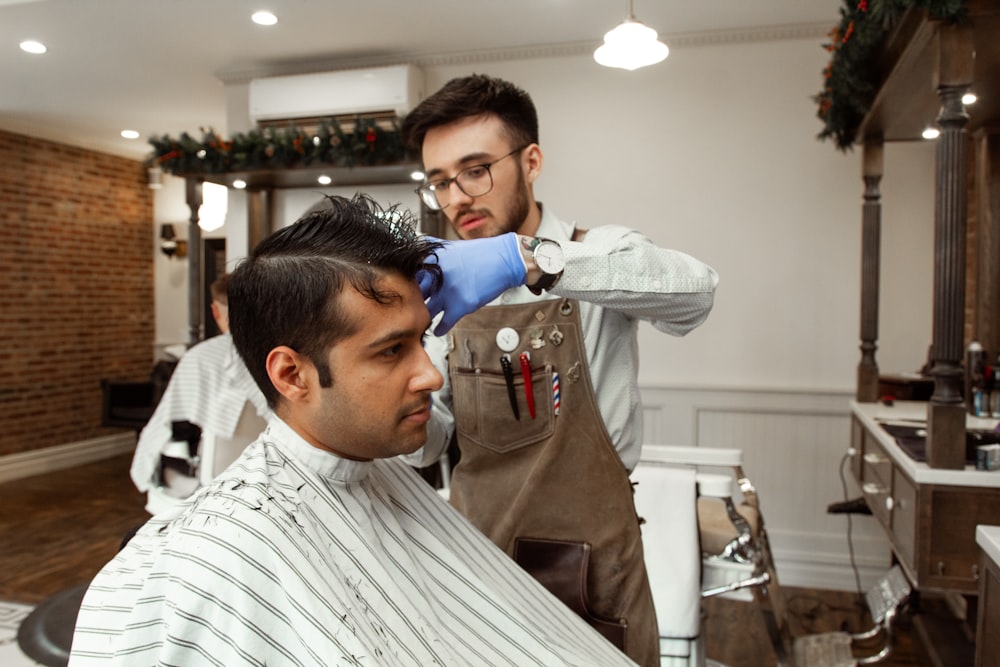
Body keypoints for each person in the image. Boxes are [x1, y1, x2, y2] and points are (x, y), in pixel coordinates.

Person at [69, 194, 637, 667]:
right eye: (392, 350)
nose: (431, 372)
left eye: (421, 338)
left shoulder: (378, 470)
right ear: (292, 374)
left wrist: (529, 257)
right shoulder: (209, 556)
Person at [400, 74, 720, 667]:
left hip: (590, 573)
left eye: (475, 170)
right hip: (476, 567)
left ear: (532, 161)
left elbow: (695, 295)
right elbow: (438, 440)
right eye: (439, 182)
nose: (456, 199)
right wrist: (390, 410)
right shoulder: (444, 290)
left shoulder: (597, 251)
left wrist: (533, 262)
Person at [129, 273, 270, 514]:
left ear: (216, 312)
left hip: (211, 478)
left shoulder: (200, 358)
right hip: (266, 472)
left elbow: (163, 428)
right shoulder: (282, 356)